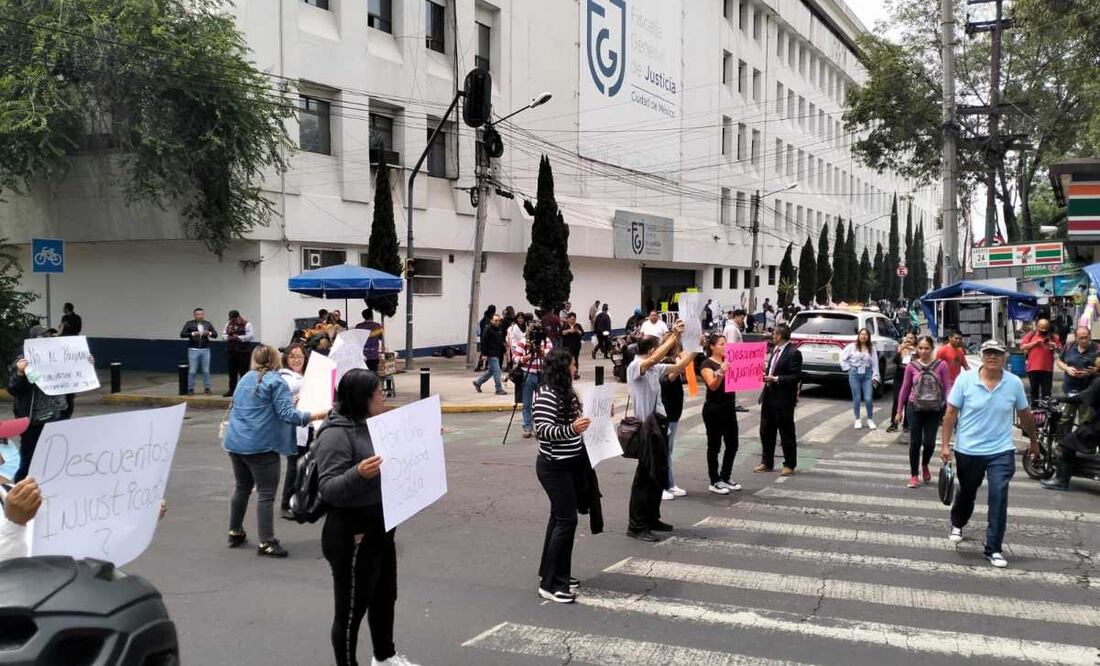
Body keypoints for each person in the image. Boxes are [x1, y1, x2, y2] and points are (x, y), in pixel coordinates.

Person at [315, 370, 418, 666]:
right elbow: (329, 489)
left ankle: (384, 656)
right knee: (351, 611)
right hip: (351, 532)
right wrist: (357, 474)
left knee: (385, 596)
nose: (383, 396)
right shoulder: (335, 434)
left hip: (381, 525)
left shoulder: (375, 425)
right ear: (361, 399)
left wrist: (423, 440)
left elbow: (395, 456)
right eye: (378, 393)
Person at [940, 339, 1038, 568]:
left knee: (999, 495)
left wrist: (1034, 442)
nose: (992, 357)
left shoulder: (1013, 383)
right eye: (988, 353)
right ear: (982, 356)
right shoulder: (966, 380)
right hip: (968, 449)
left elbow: (1025, 414)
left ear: (1004, 357)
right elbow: (951, 413)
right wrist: (945, 445)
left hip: (1001, 450)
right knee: (967, 492)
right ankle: (958, 521)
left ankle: (993, 548)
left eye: (997, 353)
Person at [223, 345, 326, 558]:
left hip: (235, 442)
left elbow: (251, 406)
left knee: (242, 487)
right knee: (266, 493)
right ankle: (266, 542)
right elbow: (289, 415)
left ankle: (235, 531)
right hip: (261, 445)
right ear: (275, 360)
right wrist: (319, 414)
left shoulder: (246, 379)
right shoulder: (275, 381)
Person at [625, 323, 696, 542]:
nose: (659, 352)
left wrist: (694, 347)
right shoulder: (637, 366)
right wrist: (674, 336)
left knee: (658, 476)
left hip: (660, 425)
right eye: (657, 348)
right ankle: (636, 525)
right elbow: (654, 359)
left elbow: (679, 366)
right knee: (645, 478)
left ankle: (652, 518)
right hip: (646, 428)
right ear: (650, 349)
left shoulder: (655, 369)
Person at [532, 349, 592, 603]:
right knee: (566, 521)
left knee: (559, 518)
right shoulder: (547, 394)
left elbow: (575, 420)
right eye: (573, 364)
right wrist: (571, 429)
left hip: (569, 463)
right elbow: (543, 431)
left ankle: (553, 570)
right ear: (562, 368)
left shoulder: (567, 392)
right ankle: (551, 583)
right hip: (553, 466)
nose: (575, 367)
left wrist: (594, 416)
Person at [8, 332, 81, 482]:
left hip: (58, 417)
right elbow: (14, 389)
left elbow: (73, 380)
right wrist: (20, 373)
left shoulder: (59, 356)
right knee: (29, 461)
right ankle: (19, 494)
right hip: (34, 422)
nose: (48, 339)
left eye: (50, 336)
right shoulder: (22, 359)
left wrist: (84, 364)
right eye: (44, 336)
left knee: (56, 460)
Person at [895, 336, 948, 487]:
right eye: (920, 348)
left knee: (929, 443)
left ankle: (924, 464)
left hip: (934, 409)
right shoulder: (911, 366)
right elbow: (904, 389)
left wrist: (950, 406)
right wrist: (899, 411)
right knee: (915, 442)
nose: (923, 351)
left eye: (927, 348)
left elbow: (947, 387)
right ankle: (913, 475)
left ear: (932, 349)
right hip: (914, 407)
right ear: (916, 349)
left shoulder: (941, 365)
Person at [1042, 356, 1100, 491]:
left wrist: (1060, 398)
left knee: (1067, 443)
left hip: (1097, 425)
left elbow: (1082, 397)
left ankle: (1062, 481)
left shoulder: (1098, 383)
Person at [755, 324, 803, 476]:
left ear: (780, 336)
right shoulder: (775, 350)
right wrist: (766, 374)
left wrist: (776, 378)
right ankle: (766, 462)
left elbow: (795, 377)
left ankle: (789, 464)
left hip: (783, 399)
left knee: (786, 432)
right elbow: (772, 368)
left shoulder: (794, 353)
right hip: (769, 395)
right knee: (766, 431)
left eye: (774, 334)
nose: (772, 336)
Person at [700, 333, 741, 495]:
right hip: (714, 408)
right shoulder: (707, 364)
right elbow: (712, 385)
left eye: (726, 343)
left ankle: (726, 476)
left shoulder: (729, 361)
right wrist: (720, 372)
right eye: (721, 344)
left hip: (729, 406)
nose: (725, 346)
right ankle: (714, 480)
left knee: (733, 443)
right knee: (714, 445)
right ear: (712, 346)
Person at [278, 344, 311, 518]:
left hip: (309, 425)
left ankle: (303, 501)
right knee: (295, 466)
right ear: (286, 359)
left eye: (300, 357)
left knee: (307, 464)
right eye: (293, 357)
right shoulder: (284, 377)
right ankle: (287, 503)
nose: (297, 360)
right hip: (293, 428)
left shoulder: (308, 376)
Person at [1055, 326, 1099, 432]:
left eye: (1086, 337)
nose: (1084, 340)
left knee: (1086, 421)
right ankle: (1064, 445)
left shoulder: (1097, 348)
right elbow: (1059, 361)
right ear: (1076, 338)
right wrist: (1067, 368)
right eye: (1081, 338)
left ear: (1090, 336)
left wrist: (1094, 372)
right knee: (1065, 419)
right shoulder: (1069, 346)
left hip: (1088, 391)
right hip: (1069, 389)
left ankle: (1083, 446)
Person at [512, 328, 554, 438]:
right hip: (528, 374)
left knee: (543, 402)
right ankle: (527, 427)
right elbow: (515, 358)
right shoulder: (523, 342)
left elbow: (549, 354)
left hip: (542, 374)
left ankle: (542, 427)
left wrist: (540, 351)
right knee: (527, 404)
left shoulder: (545, 341)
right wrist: (527, 357)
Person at [659, 344, 686, 500]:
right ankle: (663, 485)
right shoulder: (666, 363)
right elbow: (669, 378)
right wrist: (680, 363)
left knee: (668, 451)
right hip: (667, 415)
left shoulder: (671, 362)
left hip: (673, 414)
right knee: (664, 451)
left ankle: (669, 483)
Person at [841, 328, 880, 430]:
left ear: (868, 337)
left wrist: (875, 376)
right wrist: (848, 369)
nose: (863, 336)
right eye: (861, 334)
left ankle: (870, 419)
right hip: (854, 374)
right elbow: (842, 358)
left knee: (868, 398)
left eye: (866, 335)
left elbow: (875, 364)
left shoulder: (872, 348)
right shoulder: (852, 347)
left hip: (867, 375)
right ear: (858, 336)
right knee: (857, 398)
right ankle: (857, 419)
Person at [1020, 318, 1060, 405]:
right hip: (1033, 368)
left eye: (1046, 328)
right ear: (1037, 327)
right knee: (1034, 391)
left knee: (1047, 393)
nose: (1044, 331)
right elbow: (1022, 347)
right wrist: (1034, 343)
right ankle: (1035, 410)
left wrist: (1054, 346)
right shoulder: (1031, 335)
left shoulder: (1053, 337)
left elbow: (1060, 350)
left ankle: (1046, 411)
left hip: (1047, 368)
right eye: (1041, 328)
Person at [180, 307, 217, 395]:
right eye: (198, 314)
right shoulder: (189, 323)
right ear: (194, 315)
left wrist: (209, 333)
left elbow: (215, 334)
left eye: (201, 314)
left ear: (203, 314)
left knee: (206, 370)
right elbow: (182, 334)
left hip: (205, 349)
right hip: (193, 349)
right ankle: (191, 388)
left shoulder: (208, 324)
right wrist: (193, 333)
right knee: (192, 370)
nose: (200, 316)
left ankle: (207, 388)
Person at [888, 333, 917, 433]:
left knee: (908, 400)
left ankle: (906, 424)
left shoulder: (917, 350)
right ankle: (894, 423)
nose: (909, 340)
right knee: (897, 399)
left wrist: (914, 352)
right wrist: (900, 351)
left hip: (911, 376)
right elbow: (895, 361)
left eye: (911, 338)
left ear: (915, 340)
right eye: (907, 338)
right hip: (899, 375)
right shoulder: (901, 348)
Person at [472, 313, 507, 395]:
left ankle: (478, 382)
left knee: (491, 371)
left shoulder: (499, 329)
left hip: (497, 353)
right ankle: (498, 388)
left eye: (498, 320)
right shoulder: (488, 329)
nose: (497, 322)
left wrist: (504, 349)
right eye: (495, 320)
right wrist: (484, 354)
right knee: (497, 371)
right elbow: (484, 342)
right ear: (492, 321)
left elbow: (500, 341)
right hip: (491, 353)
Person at [223, 310, 255, 397]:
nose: (232, 320)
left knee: (244, 372)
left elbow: (251, 336)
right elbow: (224, 335)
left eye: (234, 319)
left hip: (243, 352)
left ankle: (244, 390)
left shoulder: (247, 324)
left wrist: (239, 338)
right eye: (231, 319)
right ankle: (232, 390)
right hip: (231, 351)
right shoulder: (228, 324)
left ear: (238, 317)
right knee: (232, 372)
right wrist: (228, 338)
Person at [935, 330, 970, 396]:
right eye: (956, 338)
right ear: (950, 338)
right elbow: (936, 367)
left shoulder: (960, 351)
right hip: (944, 384)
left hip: (956, 383)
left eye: (960, 338)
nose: (958, 340)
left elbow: (966, 366)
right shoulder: (942, 350)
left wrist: (975, 376)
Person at [561, 313, 584, 379]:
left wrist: (578, 331)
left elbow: (582, 333)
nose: (572, 321)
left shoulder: (578, 325)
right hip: (567, 346)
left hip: (576, 346)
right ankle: (568, 373)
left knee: (575, 359)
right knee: (568, 360)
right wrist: (569, 331)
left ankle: (575, 373)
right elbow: (561, 333)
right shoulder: (565, 326)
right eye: (571, 319)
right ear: (568, 319)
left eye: (574, 319)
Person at [475, 305, 497, 372]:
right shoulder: (490, 319)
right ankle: (485, 365)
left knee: (483, 352)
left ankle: (480, 365)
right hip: (489, 338)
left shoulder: (484, 318)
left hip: (483, 337)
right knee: (487, 352)